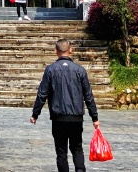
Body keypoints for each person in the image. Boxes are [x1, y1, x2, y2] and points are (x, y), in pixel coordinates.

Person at [30, 39, 100, 172]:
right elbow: (88, 96)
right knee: (77, 148)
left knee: (61, 151)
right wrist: (94, 117)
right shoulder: (80, 70)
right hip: (76, 117)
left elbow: (42, 94)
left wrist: (35, 114)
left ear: (55, 51)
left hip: (58, 117)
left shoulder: (50, 70)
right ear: (71, 50)